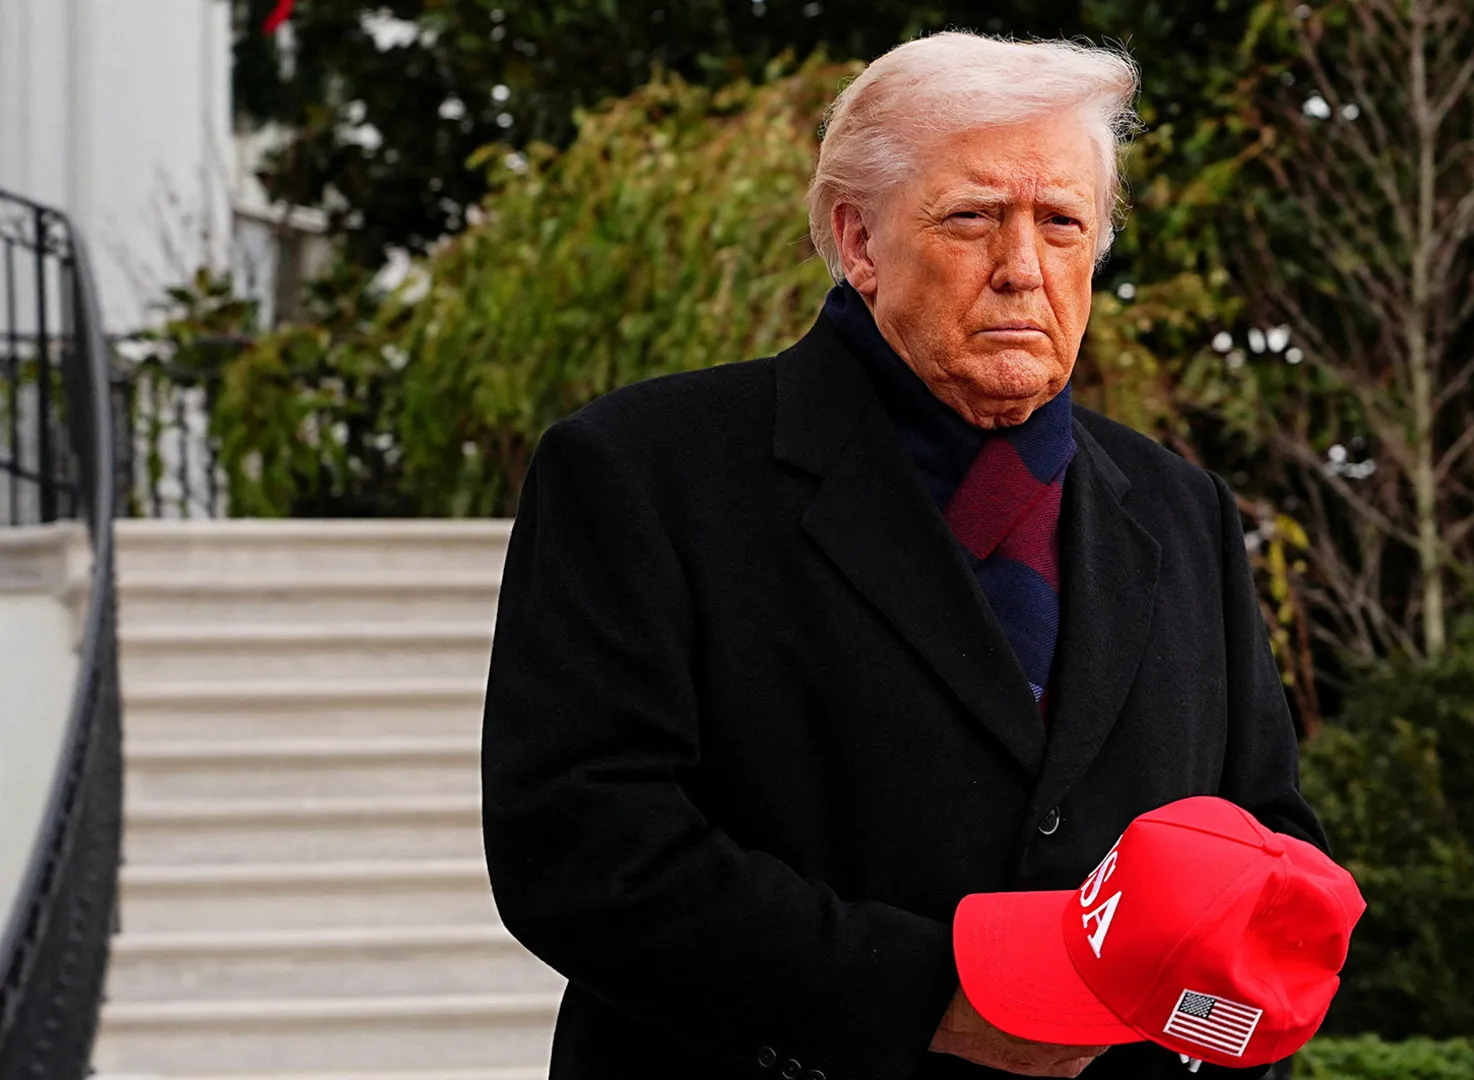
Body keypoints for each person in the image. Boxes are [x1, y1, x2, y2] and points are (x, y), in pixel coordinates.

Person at [481, 29, 1328, 1080]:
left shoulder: (1181, 508)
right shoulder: (642, 472)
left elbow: (1265, 834)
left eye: (1062, 223)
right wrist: (933, 999)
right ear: (859, 241)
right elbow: (579, 846)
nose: (1023, 270)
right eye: (972, 217)